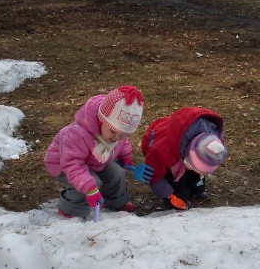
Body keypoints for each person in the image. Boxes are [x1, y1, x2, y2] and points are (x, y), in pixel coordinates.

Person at [44, 85, 143, 218]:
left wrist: (125, 157)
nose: (116, 138)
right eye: (113, 131)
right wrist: (90, 188)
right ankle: (71, 209)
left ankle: (116, 201)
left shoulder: (116, 134)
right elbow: (73, 165)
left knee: (117, 173)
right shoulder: (77, 133)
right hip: (65, 164)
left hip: (95, 161)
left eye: (123, 134)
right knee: (90, 182)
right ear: (101, 120)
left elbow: (122, 143)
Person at [141, 106, 228, 209]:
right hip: (170, 157)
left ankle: (196, 188)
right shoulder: (161, 150)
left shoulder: (212, 137)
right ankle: (177, 196)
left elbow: (213, 153)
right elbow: (154, 173)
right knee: (176, 184)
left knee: (196, 172)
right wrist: (166, 194)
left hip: (185, 151)